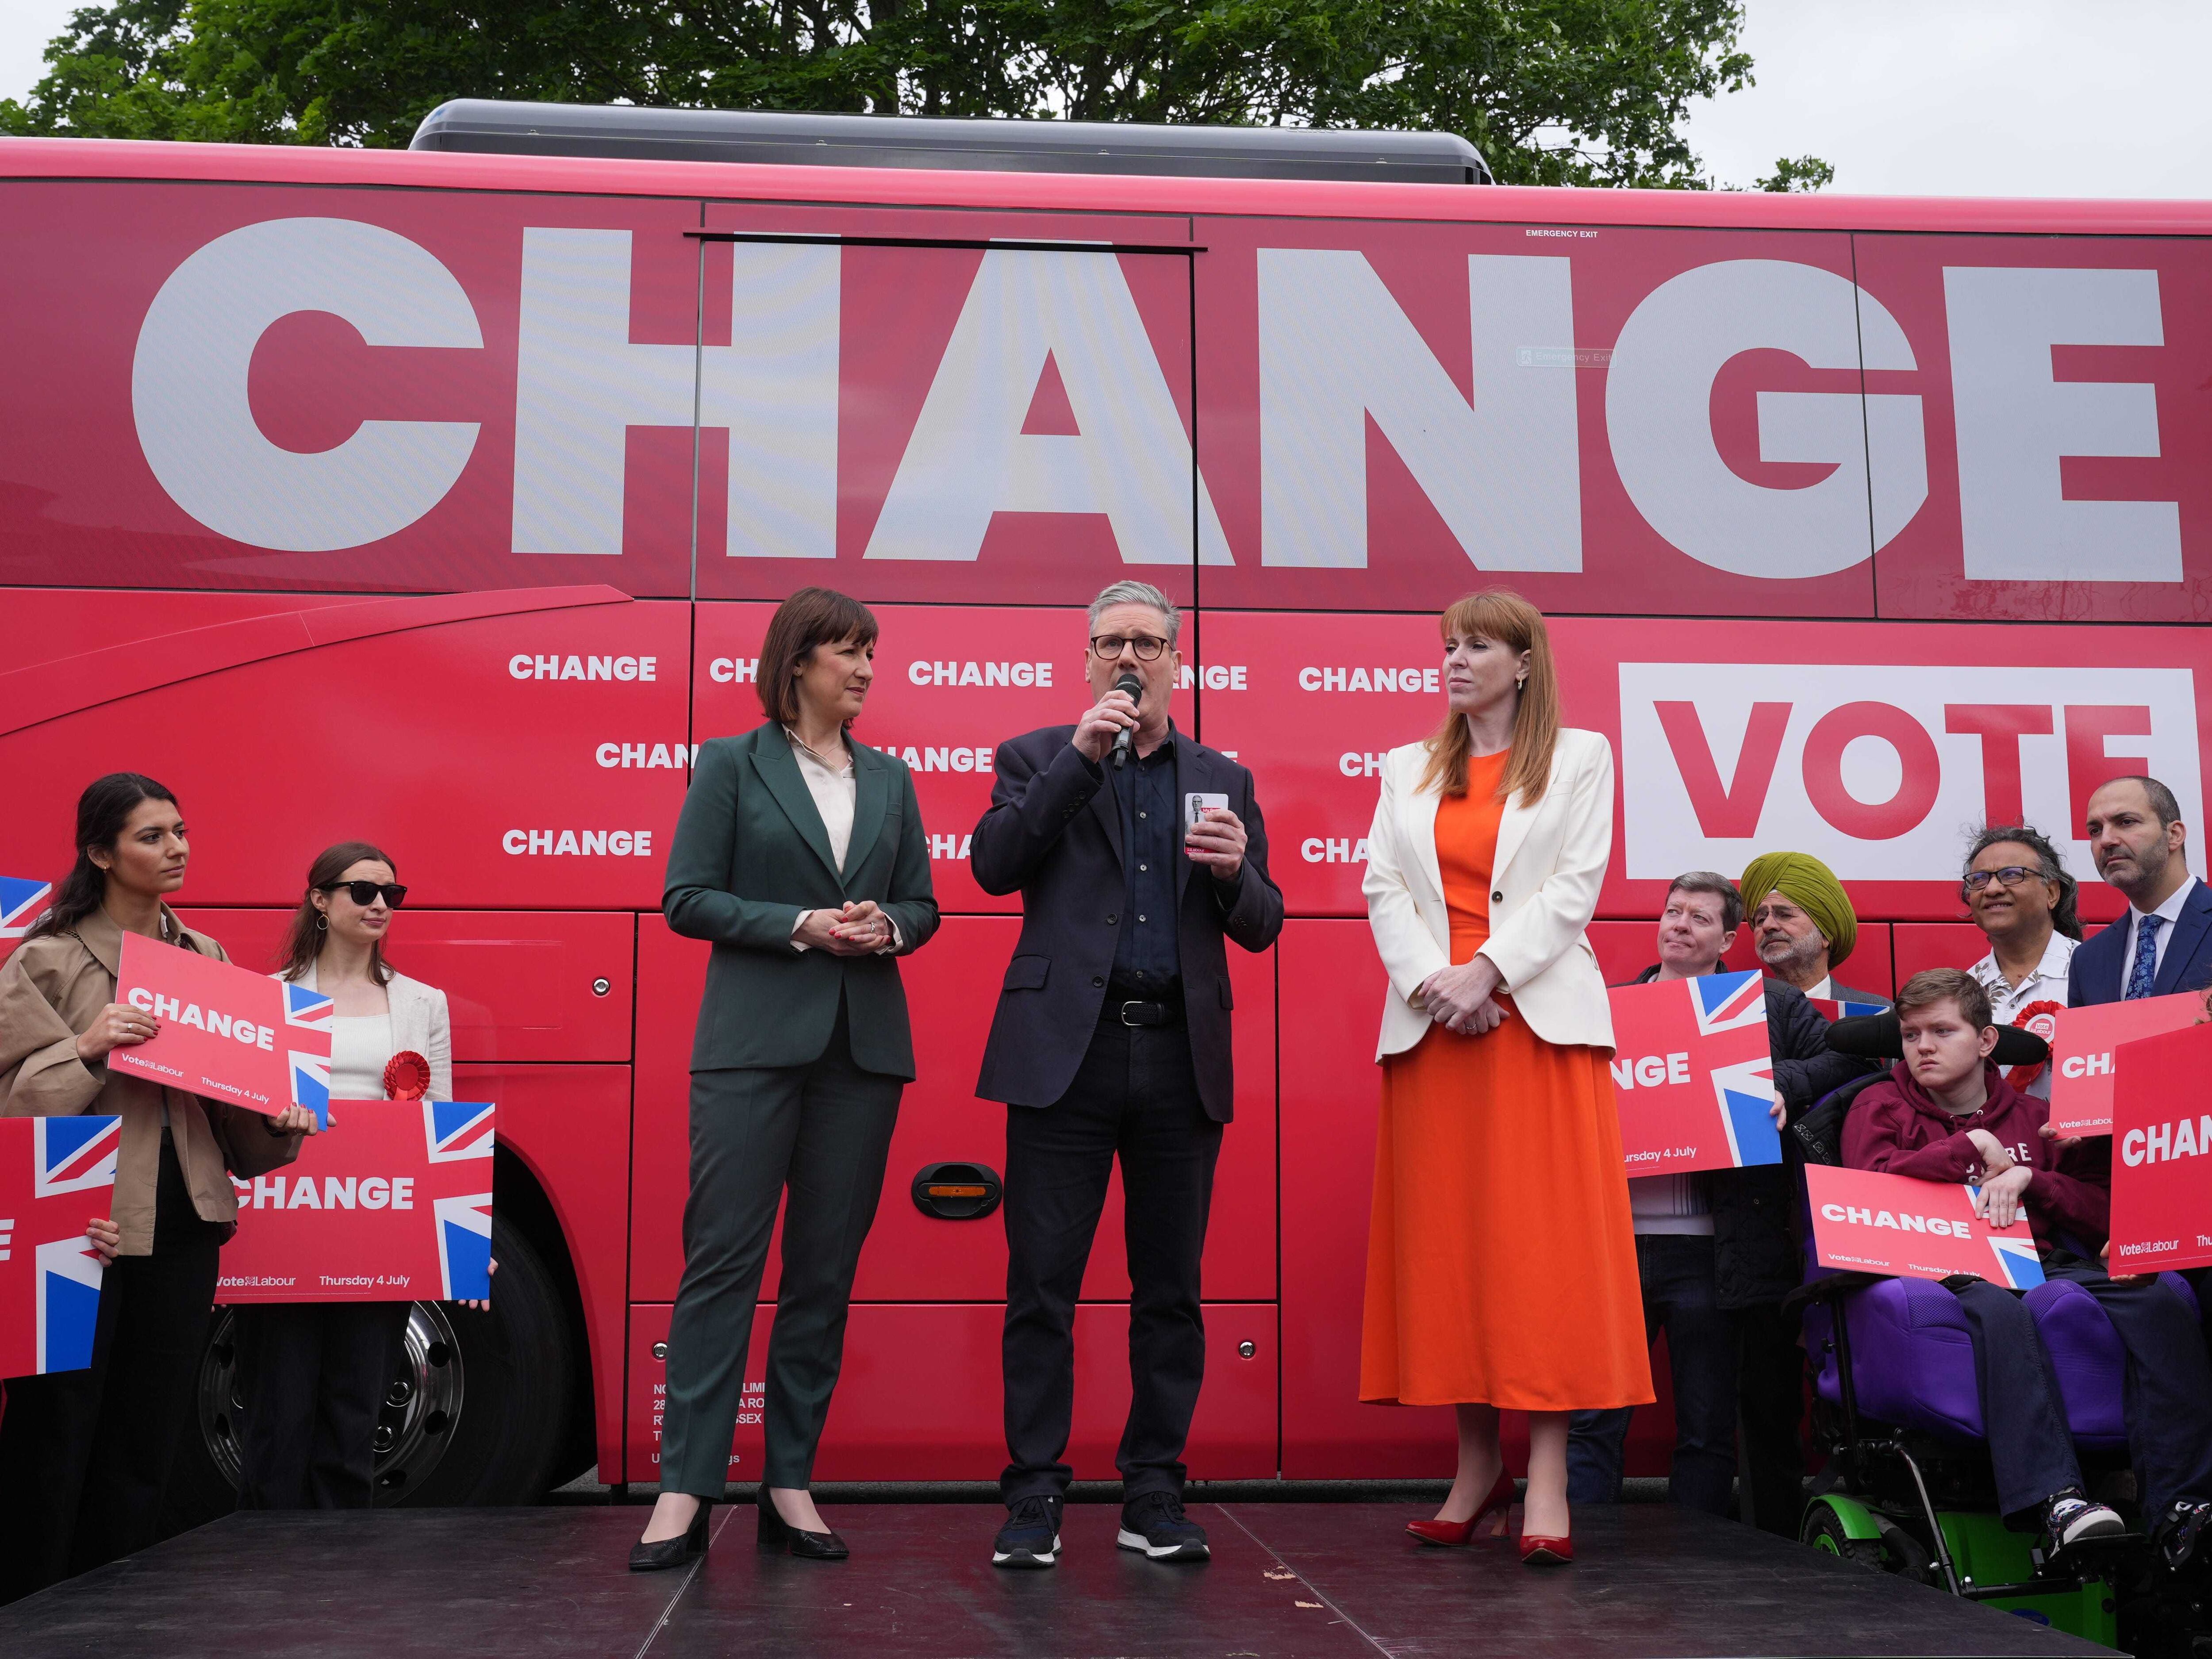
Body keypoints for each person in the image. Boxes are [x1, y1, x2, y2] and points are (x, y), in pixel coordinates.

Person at [971, 579, 1282, 1570]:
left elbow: (1265, 925)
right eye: (1111, 642)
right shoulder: (1036, 758)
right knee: (1042, 1287)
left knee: (1170, 1291)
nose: (1130, 657)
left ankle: (1154, 1492)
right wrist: (1083, 754)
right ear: (1087, 657)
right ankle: (1032, 1499)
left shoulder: (1221, 777)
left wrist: (1236, 875)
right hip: (1068, 1053)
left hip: (1178, 1057)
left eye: (1149, 641)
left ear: (1177, 661)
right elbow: (995, 864)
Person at [633, 588, 939, 1572]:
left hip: (863, 1050)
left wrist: (885, 927)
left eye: (872, 654)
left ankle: (790, 1482)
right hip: (751, 1046)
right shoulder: (731, 763)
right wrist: (800, 925)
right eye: (848, 652)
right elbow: (685, 897)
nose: (865, 670)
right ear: (797, 660)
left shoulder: (892, 779)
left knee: (823, 1273)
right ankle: (684, 1486)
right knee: (722, 1260)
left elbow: (924, 904)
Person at [1360, 588, 1650, 1567]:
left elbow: (1575, 887)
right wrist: (1436, 986)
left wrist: (1489, 973)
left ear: (1523, 662)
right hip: (1436, 1033)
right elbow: (1383, 890)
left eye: (1476, 645)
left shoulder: (1582, 756)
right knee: (1455, 1254)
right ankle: (1475, 1470)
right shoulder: (1404, 766)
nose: (1454, 659)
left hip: (1537, 1031)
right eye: (1446, 644)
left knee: (1540, 1257)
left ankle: (1551, 1479)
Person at [0, 773, 316, 1604]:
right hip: (78, 1230)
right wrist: (89, 1046)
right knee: (55, 1428)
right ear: (100, 853)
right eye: (151, 836)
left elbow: (233, 1126)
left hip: (186, 1225)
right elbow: (9, 1112)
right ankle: (32, 1603)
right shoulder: (48, 959)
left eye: (179, 831)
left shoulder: (203, 957)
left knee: (151, 1430)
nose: (176, 848)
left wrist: (279, 1119)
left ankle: (117, 1605)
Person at [1842, 969, 2212, 1546]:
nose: (1924, 1047)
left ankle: (2184, 1501)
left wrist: (2031, 1178)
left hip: (2037, 1258)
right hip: (1940, 1265)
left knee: (2156, 1292)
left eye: (1942, 1030)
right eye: (1911, 1034)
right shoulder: (1878, 1103)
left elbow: (2101, 1215)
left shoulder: (2037, 1117)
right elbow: (1867, 1187)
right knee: (1997, 1308)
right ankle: (2057, 1500)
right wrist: (1969, 1147)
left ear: (1987, 1040)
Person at [1566, 872, 1871, 1536]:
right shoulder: (1604, 1004)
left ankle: (1700, 1559)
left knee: (1707, 1421)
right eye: (1672, 912)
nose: (1680, 925)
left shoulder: (1769, 1005)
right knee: (1593, 1415)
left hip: (1714, 1250)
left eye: (1699, 918)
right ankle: (1580, 1541)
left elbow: (1854, 1061)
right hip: (1614, 1243)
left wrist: (1780, 1081)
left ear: (1727, 939)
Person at [232, 841, 454, 1510]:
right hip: (286, 1224)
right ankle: (266, 1561)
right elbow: (241, 1119)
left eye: (393, 893)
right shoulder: (267, 997)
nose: (381, 903)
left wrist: (460, 1242)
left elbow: (438, 1125)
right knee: (279, 1409)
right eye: (363, 890)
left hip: (377, 1229)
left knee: (355, 1408)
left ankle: (340, 1568)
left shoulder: (423, 1003)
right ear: (320, 900)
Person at [1960, 824, 2081, 1100]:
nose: (1992, 889)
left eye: (2012, 875)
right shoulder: (1961, 990)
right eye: (1979, 879)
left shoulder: (2096, 971)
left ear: (2052, 893)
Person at [2069, 776, 2212, 1006]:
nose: (2105, 840)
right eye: (2095, 830)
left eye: (2126, 822)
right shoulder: (2087, 960)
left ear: (2174, 834)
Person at [1738, 851, 1886, 1006]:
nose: (1768, 926)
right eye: (1760, 919)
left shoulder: (1877, 1015)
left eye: (1784, 915)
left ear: (1825, 936)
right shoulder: (1742, 1017)